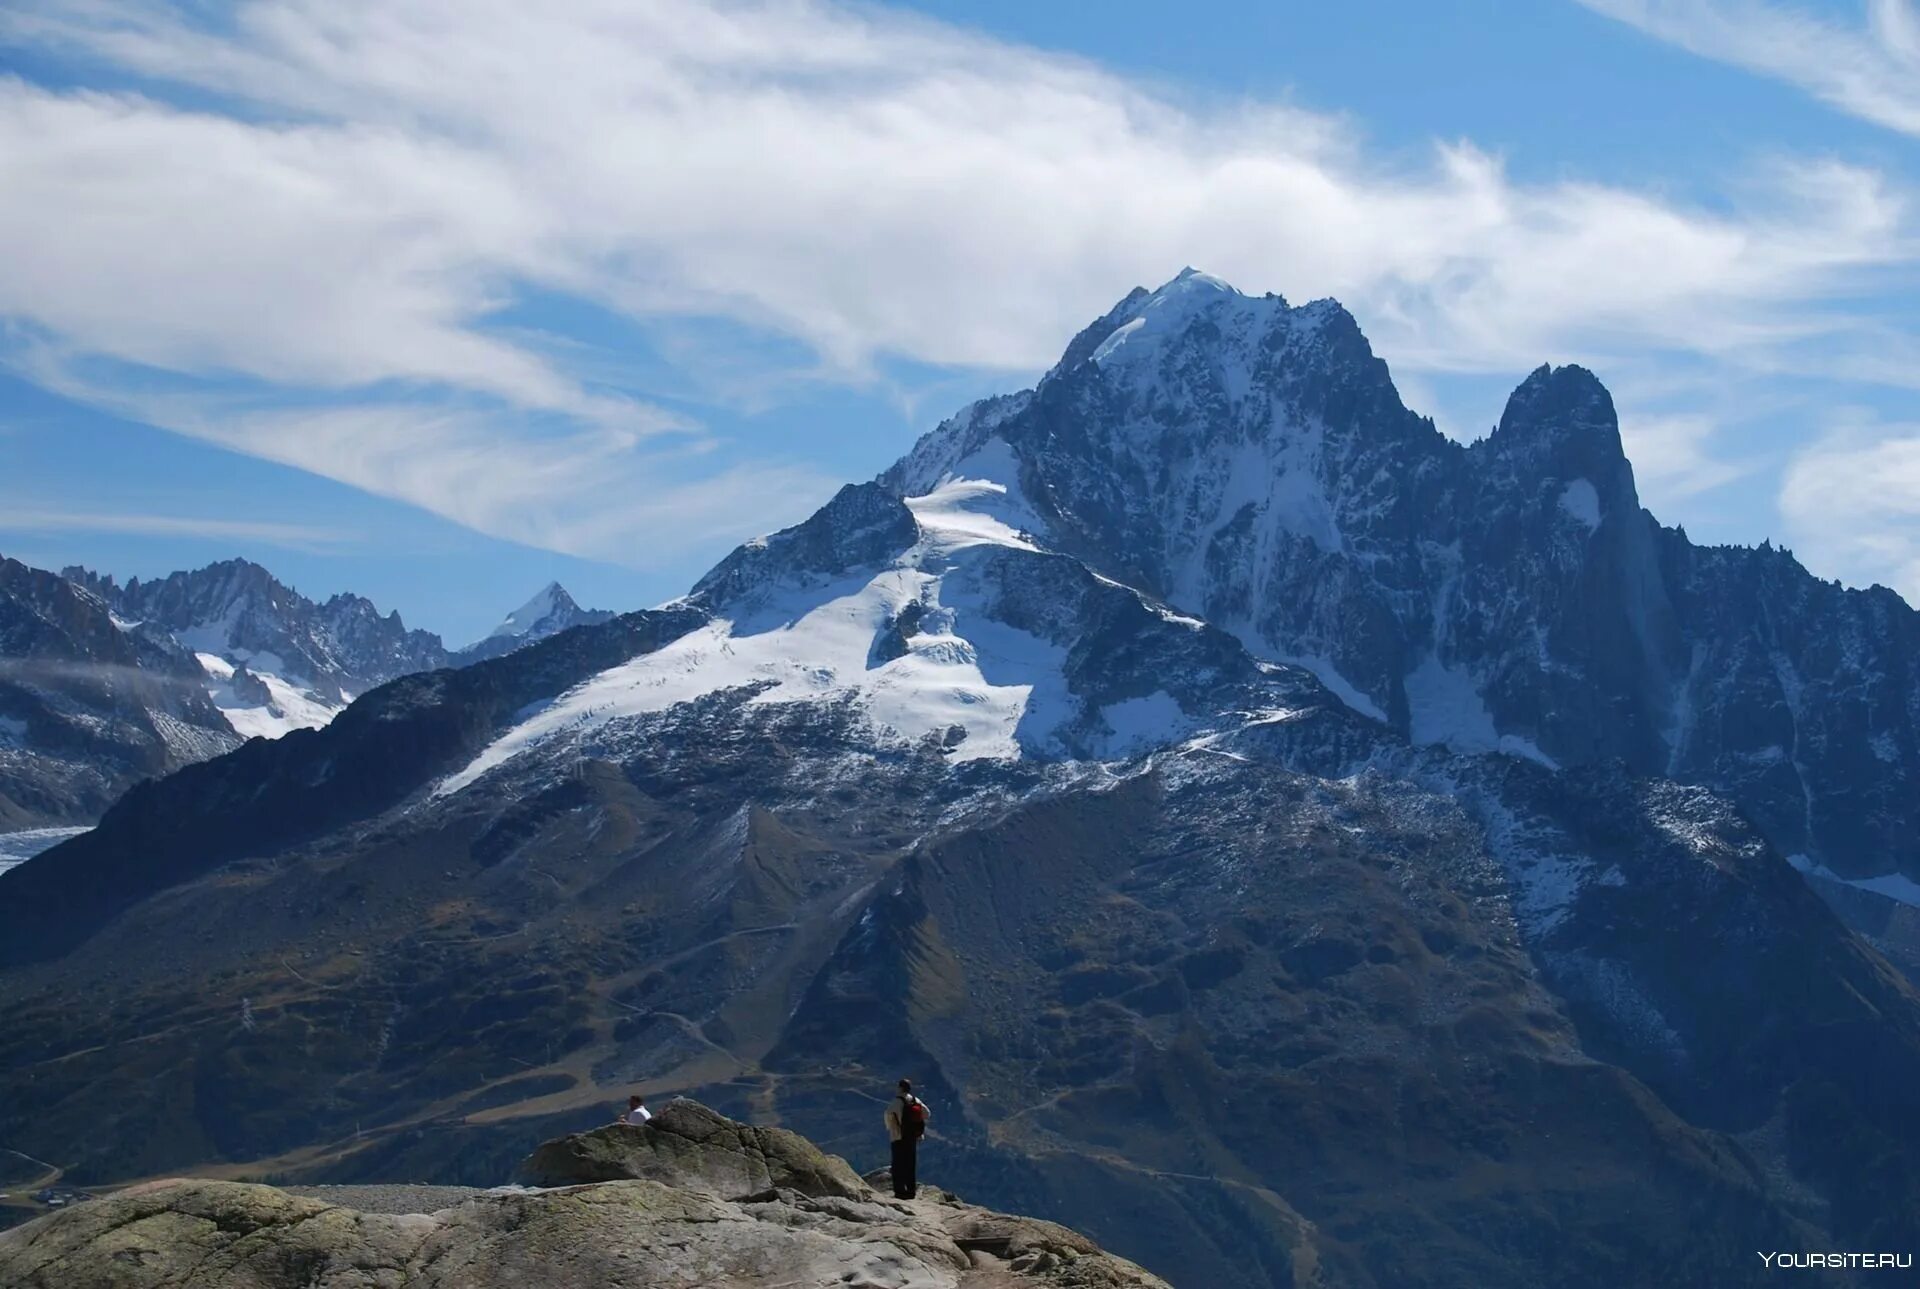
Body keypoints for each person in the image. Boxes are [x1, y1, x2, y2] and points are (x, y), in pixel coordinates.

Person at [884, 1078, 928, 1199]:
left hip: (898, 1137)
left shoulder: (896, 1102)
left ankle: (900, 1191)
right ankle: (911, 1191)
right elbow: (927, 1113)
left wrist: (891, 1128)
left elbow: (888, 1116)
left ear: (900, 1088)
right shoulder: (916, 1100)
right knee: (910, 1164)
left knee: (898, 1164)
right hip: (912, 1137)